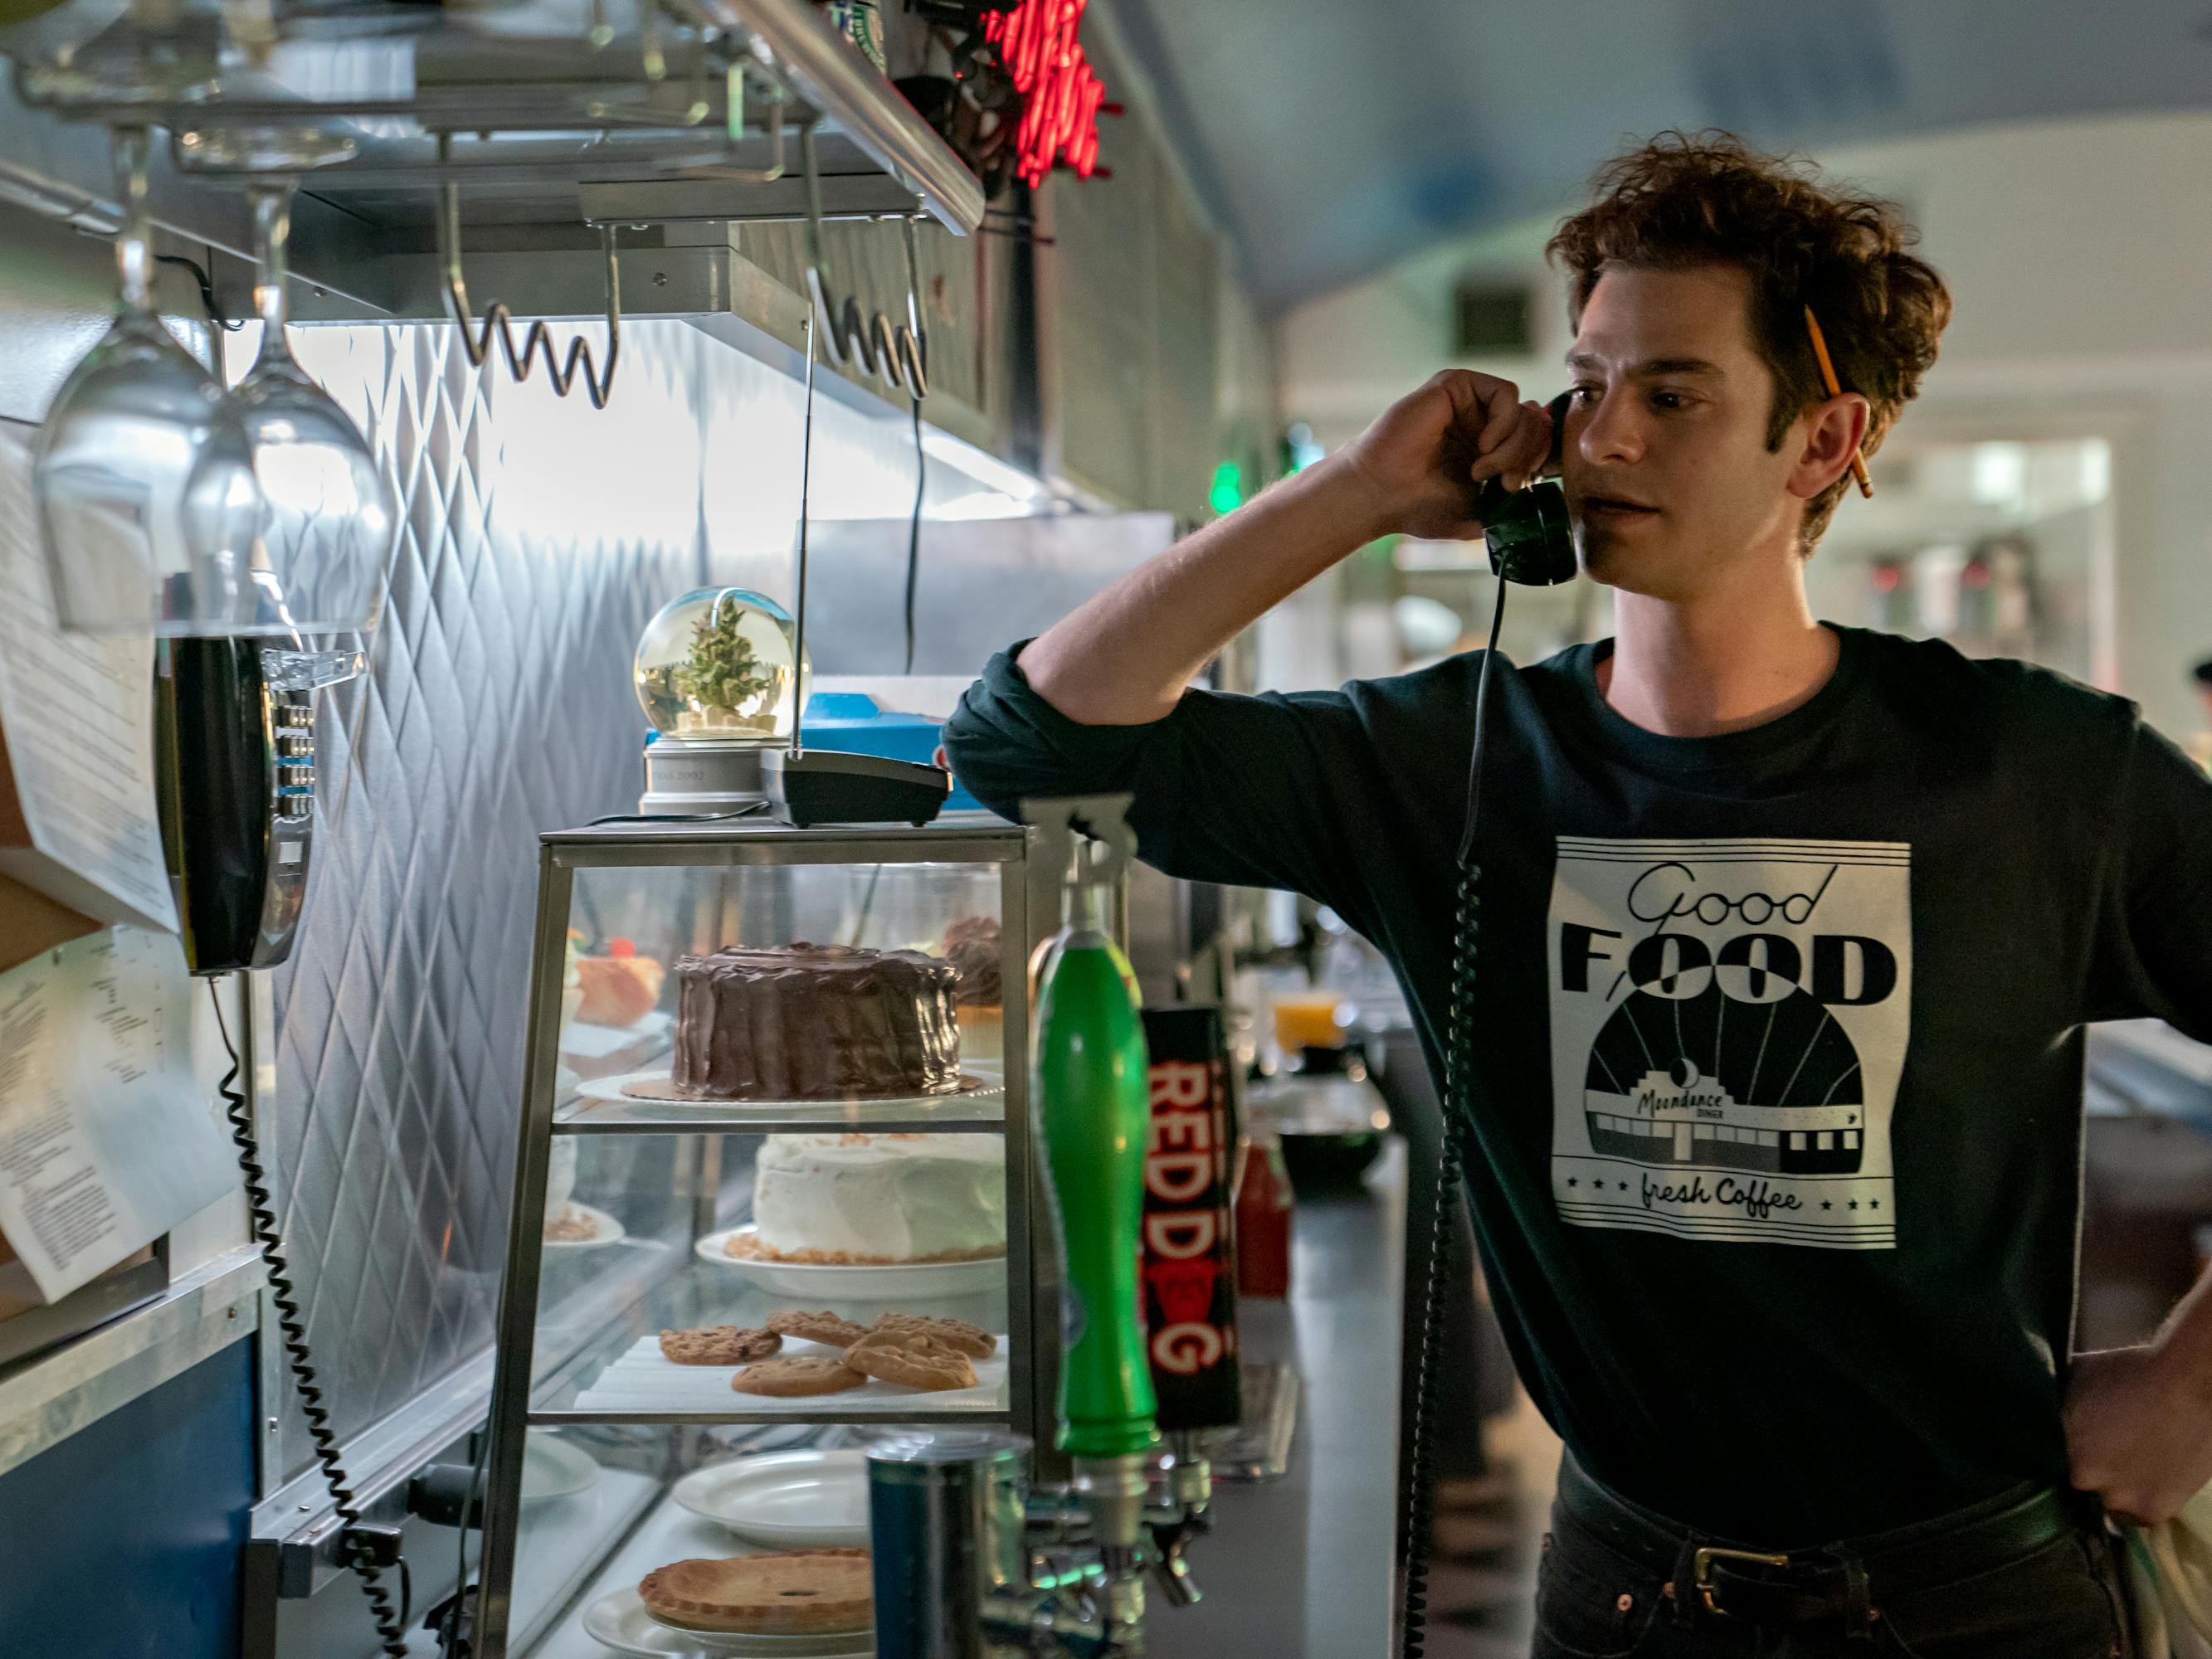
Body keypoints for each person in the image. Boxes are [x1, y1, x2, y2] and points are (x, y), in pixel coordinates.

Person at [947, 132, 2212, 1657]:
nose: (1601, 441)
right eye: (1586, 383)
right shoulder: (1451, 758)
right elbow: (1027, 741)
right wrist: (1351, 489)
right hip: (1621, 1588)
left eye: (1672, 395)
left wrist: (2185, 1393)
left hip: (1972, 1597)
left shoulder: (2027, 767)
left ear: (1820, 443)